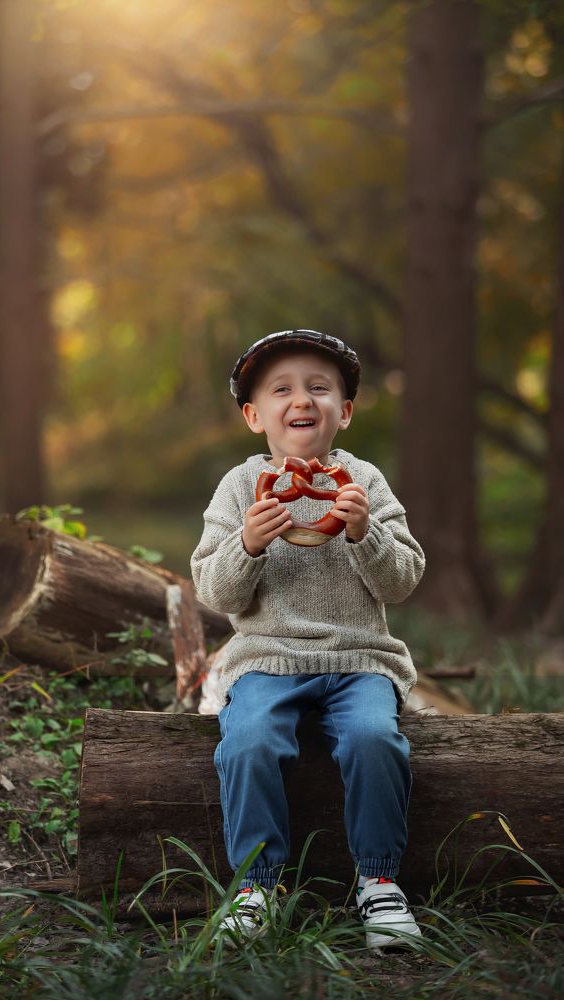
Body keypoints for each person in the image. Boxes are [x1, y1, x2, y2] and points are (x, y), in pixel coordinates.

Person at [190, 329, 426, 949]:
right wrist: (246, 546)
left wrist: (364, 533)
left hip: (359, 661)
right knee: (248, 739)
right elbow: (216, 593)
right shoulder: (241, 490)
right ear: (254, 415)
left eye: (320, 388)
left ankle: (379, 883)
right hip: (265, 660)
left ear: (344, 411)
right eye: (283, 389)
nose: (303, 399)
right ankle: (256, 887)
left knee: (375, 738)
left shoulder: (363, 483)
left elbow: (402, 581)